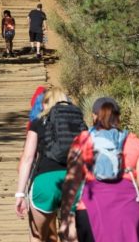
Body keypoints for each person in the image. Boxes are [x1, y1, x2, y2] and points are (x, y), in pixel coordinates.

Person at [58, 97, 139, 242]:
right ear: (118, 117)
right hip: (128, 215)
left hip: (90, 213)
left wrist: (66, 220)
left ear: (94, 116)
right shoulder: (133, 140)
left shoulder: (83, 140)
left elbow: (71, 183)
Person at [15, 87, 87, 242]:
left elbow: (28, 158)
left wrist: (20, 194)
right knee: (72, 235)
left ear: (46, 103)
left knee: (39, 235)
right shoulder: (78, 123)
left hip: (45, 181)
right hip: (75, 180)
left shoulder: (38, 123)